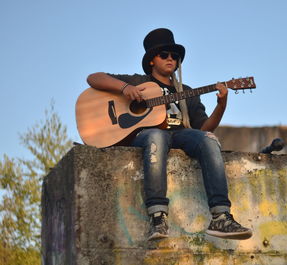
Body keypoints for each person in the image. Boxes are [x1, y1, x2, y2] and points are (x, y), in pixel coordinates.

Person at [87, 28, 252, 241]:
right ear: (151, 61)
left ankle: (221, 216)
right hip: (148, 135)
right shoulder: (139, 82)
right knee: (157, 136)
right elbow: (93, 78)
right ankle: (157, 217)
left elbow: (203, 129)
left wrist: (221, 105)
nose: (170, 59)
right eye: (164, 54)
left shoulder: (187, 91)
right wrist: (125, 87)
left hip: (180, 135)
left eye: (175, 56)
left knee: (209, 140)